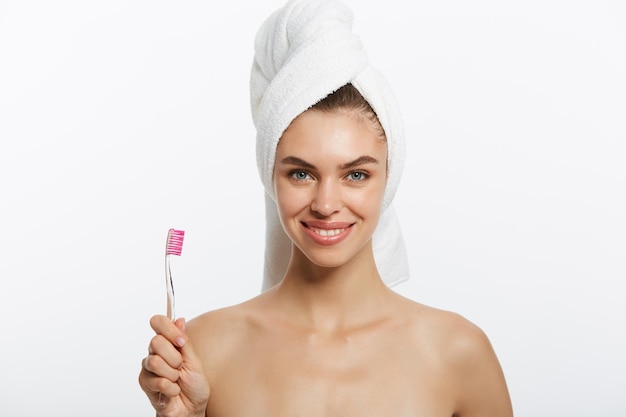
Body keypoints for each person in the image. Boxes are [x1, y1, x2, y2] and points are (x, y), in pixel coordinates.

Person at [138, 0, 514, 416]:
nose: (326, 204)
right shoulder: (204, 349)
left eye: (356, 175)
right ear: (270, 178)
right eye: (301, 174)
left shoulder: (458, 353)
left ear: (389, 177)